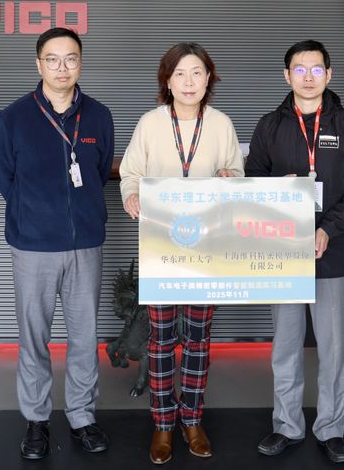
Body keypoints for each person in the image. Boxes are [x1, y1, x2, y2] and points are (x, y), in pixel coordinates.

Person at [246, 39, 344, 464]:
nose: (307, 77)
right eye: (299, 69)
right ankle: (287, 424)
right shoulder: (269, 125)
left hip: (331, 251)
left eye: (316, 69)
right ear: (286, 76)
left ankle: (331, 428)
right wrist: (273, 190)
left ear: (329, 75)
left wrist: (329, 230)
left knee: (333, 348)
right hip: (282, 252)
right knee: (285, 346)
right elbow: (252, 181)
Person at [0, 27, 114, 460]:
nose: (62, 67)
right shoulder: (13, 118)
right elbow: (6, 180)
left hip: (85, 244)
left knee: (84, 338)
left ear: (81, 62)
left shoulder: (99, 116)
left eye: (71, 58)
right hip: (33, 246)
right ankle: (36, 421)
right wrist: (36, 216)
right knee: (34, 337)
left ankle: (82, 417)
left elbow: (99, 173)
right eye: (53, 59)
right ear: (38, 64)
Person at [119, 42, 244, 465]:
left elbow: (237, 174)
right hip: (161, 244)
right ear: (167, 81)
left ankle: (191, 419)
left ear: (209, 78)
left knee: (198, 339)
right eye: (180, 74)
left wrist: (230, 175)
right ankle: (162, 422)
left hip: (207, 247)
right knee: (160, 341)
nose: (189, 82)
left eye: (197, 73)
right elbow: (131, 172)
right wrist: (132, 194)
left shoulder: (221, 124)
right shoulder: (150, 123)